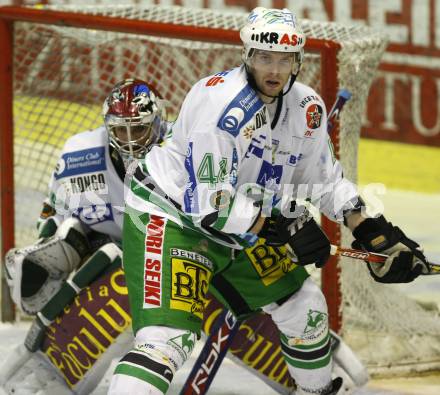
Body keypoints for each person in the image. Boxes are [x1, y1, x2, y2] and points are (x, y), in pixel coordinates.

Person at [110, 7, 430, 395]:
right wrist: (282, 228)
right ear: (247, 56)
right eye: (264, 57)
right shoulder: (221, 108)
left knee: (306, 308)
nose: (273, 70)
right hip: (173, 219)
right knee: (166, 342)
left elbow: (323, 178)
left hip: (241, 224)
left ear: (297, 61)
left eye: (283, 59)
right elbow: (211, 207)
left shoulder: (306, 109)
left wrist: (370, 231)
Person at [1, 78, 167, 394]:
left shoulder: (182, 151)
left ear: (159, 122)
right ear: (108, 127)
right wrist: (47, 252)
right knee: (96, 255)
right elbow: (54, 213)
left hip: (176, 264)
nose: (130, 140)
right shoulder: (81, 157)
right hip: (113, 265)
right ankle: (56, 365)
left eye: (139, 129)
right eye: (121, 130)